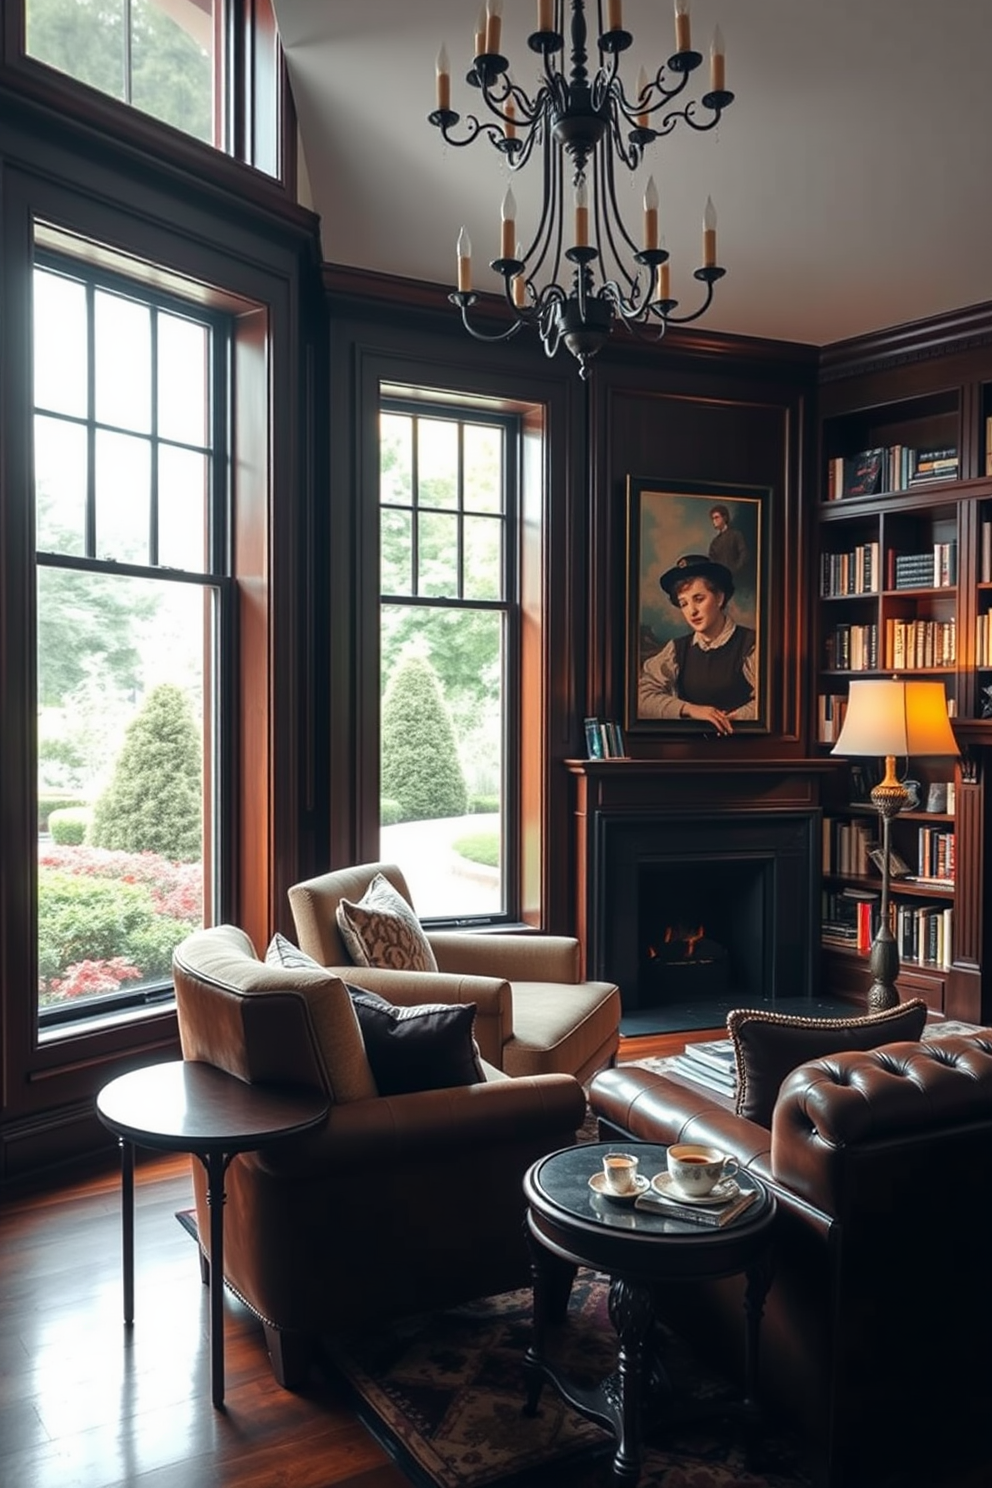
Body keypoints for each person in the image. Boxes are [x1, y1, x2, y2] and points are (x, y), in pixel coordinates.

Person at [638, 554, 756, 733]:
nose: (692, 611)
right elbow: (641, 696)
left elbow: (773, 701)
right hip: (690, 751)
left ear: (719, 598)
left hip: (747, 748)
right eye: (683, 603)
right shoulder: (677, 650)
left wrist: (732, 719)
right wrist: (691, 710)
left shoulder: (750, 644)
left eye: (699, 599)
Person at [708, 504, 748, 574]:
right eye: (713, 519)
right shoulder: (715, 542)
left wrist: (735, 569)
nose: (714, 521)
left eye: (716, 517)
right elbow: (712, 561)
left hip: (737, 576)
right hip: (720, 577)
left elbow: (743, 554)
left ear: (725, 518)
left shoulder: (736, 535)